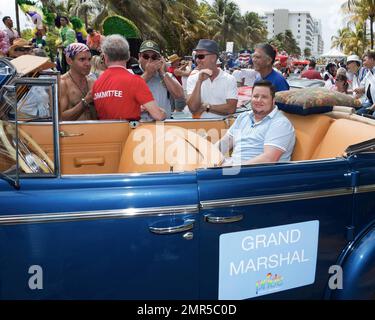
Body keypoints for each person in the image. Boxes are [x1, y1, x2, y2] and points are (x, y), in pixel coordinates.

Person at [216, 80, 295, 166]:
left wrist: (232, 168)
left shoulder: (280, 124)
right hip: (234, 169)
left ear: (273, 100)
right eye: (255, 96)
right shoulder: (243, 117)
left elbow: (269, 159)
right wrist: (210, 155)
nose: (258, 100)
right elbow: (226, 142)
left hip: (257, 174)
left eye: (264, 97)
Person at [92, 35, 166, 121]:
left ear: (105, 57)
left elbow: (115, 109)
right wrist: (163, 113)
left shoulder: (97, 83)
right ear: (128, 55)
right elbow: (158, 115)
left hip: (104, 132)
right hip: (129, 132)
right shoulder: (135, 81)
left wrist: (136, 108)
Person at [186, 39, 238, 118]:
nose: (197, 60)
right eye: (196, 56)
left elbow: (231, 108)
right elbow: (193, 108)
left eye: (200, 56)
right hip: (198, 128)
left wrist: (206, 107)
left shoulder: (229, 79)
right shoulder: (193, 79)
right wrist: (199, 82)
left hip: (222, 128)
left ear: (213, 58)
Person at [138, 40, 184, 118]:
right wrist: (148, 74)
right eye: (146, 56)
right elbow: (127, 92)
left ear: (159, 58)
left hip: (163, 125)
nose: (150, 60)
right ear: (139, 56)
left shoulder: (166, 75)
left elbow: (179, 95)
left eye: (154, 57)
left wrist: (162, 72)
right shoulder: (131, 73)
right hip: (139, 125)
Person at [59, 43, 97, 121]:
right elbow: (60, 118)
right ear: (69, 61)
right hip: (73, 132)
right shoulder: (62, 83)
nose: (88, 64)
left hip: (93, 130)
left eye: (89, 59)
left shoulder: (92, 81)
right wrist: (86, 101)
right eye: (82, 59)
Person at [354, 51, 375, 115]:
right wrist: (361, 89)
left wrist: (372, 107)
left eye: (365, 60)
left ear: (372, 60)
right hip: (370, 102)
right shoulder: (368, 73)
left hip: (373, 105)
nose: (363, 63)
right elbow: (366, 87)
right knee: (357, 114)